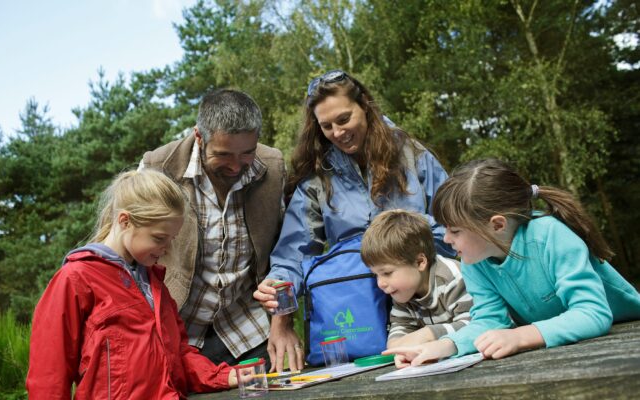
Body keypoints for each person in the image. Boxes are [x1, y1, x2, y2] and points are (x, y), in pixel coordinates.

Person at [253, 70, 454, 372]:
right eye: (326, 126)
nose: (337, 132)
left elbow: (455, 231)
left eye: (344, 119)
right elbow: (293, 257)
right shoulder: (317, 179)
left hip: (428, 315)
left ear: (366, 106)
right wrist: (279, 308)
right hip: (357, 329)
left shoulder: (413, 156)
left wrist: (403, 235)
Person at [384, 159, 640, 368]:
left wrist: (520, 337)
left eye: (456, 231)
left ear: (496, 225)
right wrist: (445, 346)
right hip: (566, 343)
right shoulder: (475, 260)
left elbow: (592, 313)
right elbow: (489, 320)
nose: (446, 239)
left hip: (625, 329)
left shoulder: (551, 235)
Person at [26, 169, 237, 399]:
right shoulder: (75, 279)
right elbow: (48, 378)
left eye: (171, 239)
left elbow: (179, 356)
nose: (167, 248)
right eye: (159, 238)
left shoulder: (155, 286)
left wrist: (224, 376)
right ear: (124, 221)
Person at [139, 89, 285, 366]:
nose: (235, 166)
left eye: (247, 153)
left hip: (248, 331)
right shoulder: (157, 167)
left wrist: (283, 319)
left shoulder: (274, 167)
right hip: (175, 332)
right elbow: (124, 252)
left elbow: (286, 251)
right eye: (223, 154)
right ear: (199, 137)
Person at [360, 209, 473, 368]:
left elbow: (474, 324)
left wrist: (427, 334)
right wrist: (398, 349)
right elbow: (400, 327)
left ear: (420, 262)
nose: (380, 283)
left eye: (387, 273)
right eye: (376, 275)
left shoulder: (452, 278)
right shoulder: (403, 292)